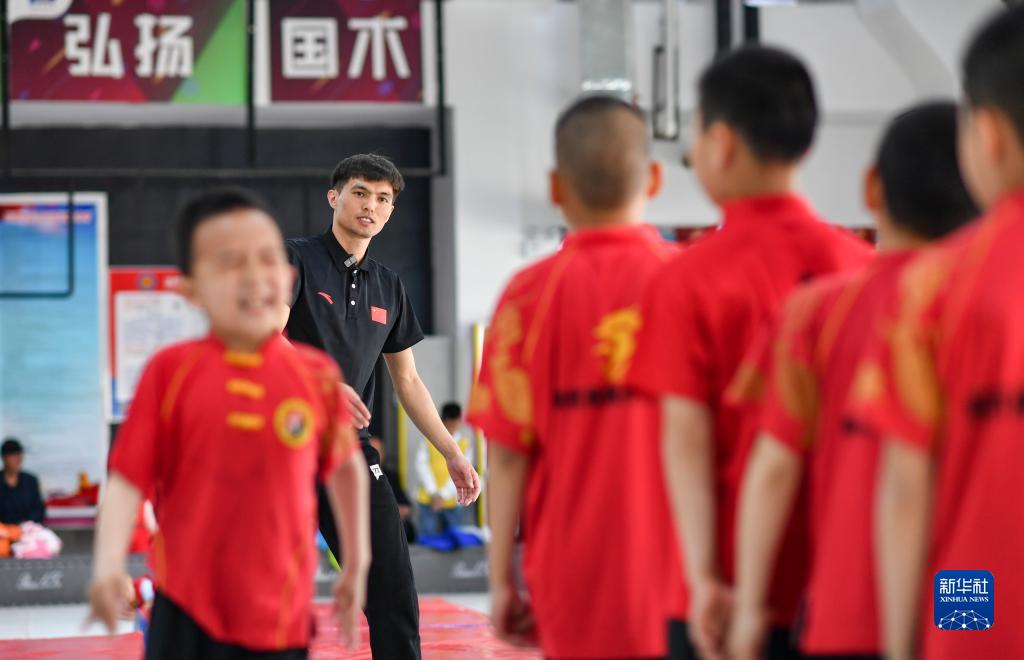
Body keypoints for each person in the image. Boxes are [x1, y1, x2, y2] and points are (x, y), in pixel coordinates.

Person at [625, 45, 874, 660]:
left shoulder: (685, 280)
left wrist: (705, 575)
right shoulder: (864, 269)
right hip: (847, 579)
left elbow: (686, 439)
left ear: (723, 143)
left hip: (725, 585)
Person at [727, 102, 978, 660]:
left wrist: (749, 609)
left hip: (846, 601)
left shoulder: (817, 311)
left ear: (872, 189)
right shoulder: (986, 309)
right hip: (968, 597)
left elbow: (773, 471)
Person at [88, 188, 371, 659]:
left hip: (280, 614)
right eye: (229, 262)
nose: (254, 276)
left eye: (267, 258)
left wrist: (357, 562)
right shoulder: (169, 373)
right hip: (185, 607)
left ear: (288, 276)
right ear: (190, 290)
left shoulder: (316, 376)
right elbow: (126, 480)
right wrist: (107, 563)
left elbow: (346, 470)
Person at [468, 95, 683, 659]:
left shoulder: (526, 297)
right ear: (654, 178)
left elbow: (507, 454)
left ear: (555, 187)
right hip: (684, 572)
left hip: (571, 574)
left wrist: (500, 579)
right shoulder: (694, 282)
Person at [863, 7, 1024, 660]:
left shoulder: (936, 286)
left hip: (975, 599)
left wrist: (904, 647)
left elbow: (909, 490)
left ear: (987, 135)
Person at [283, 154, 481, 660]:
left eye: (382, 198)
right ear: (334, 197)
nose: (370, 205)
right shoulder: (294, 259)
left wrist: (452, 452)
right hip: (279, 442)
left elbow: (408, 381)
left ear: (391, 211)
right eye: (360, 193)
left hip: (346, 451)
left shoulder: (389, 286)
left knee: (392, 583)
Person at [415, 402, 473, 551]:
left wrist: (443, 494)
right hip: (429, 500)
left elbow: (463, 472)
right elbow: (422, 466)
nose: (452, 429)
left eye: (455, 425)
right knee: (427, 545)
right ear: (442, 420)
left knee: (456, 545)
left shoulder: (464, 444)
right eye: (449, 425)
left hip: (453, 501)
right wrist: (434, 493)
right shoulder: (429, 440)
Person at [368, 436, 416, 544]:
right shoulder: (356, 477)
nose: (375, 456)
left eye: (378, 452)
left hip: (389, 530)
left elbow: (407, 507)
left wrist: (393, 509)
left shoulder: (390, 476)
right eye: (372, 452)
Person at [0, 438, 46, 526]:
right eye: (14, 455)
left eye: (20, 454)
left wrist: (24, 524)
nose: (18, 459)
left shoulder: (31, 481)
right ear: (4, 457)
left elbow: (39, 510)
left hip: (27, 529)